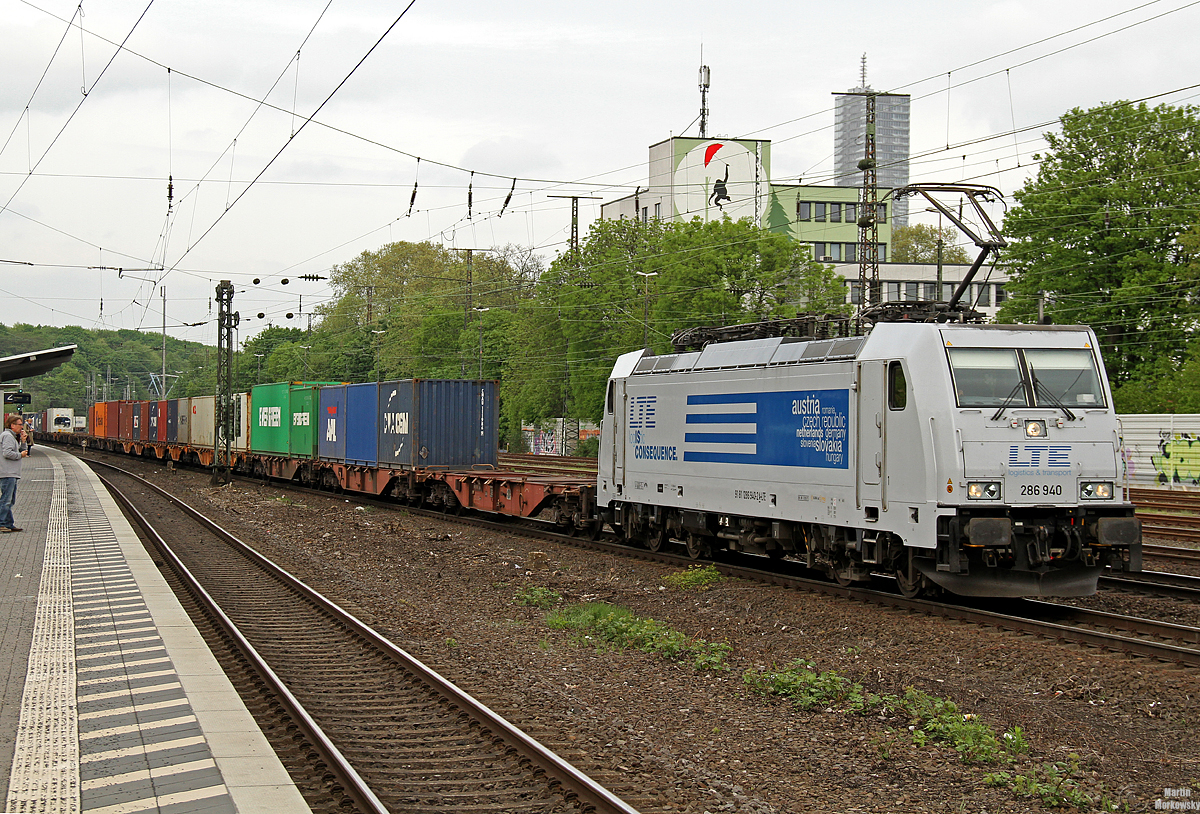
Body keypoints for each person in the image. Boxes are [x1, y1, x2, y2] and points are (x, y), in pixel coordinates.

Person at [0, 413, 29, 532]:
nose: (21, 427)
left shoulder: (12, 437)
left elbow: (23, 450)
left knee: (10, 500)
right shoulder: (7, 436)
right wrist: (19, 455)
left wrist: (23, 441)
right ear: (12, 425)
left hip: (12, 472)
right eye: (20, 425)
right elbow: (7, 453)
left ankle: (8, 523)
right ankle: (2, 524)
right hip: (7, 472)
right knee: (6, 500)